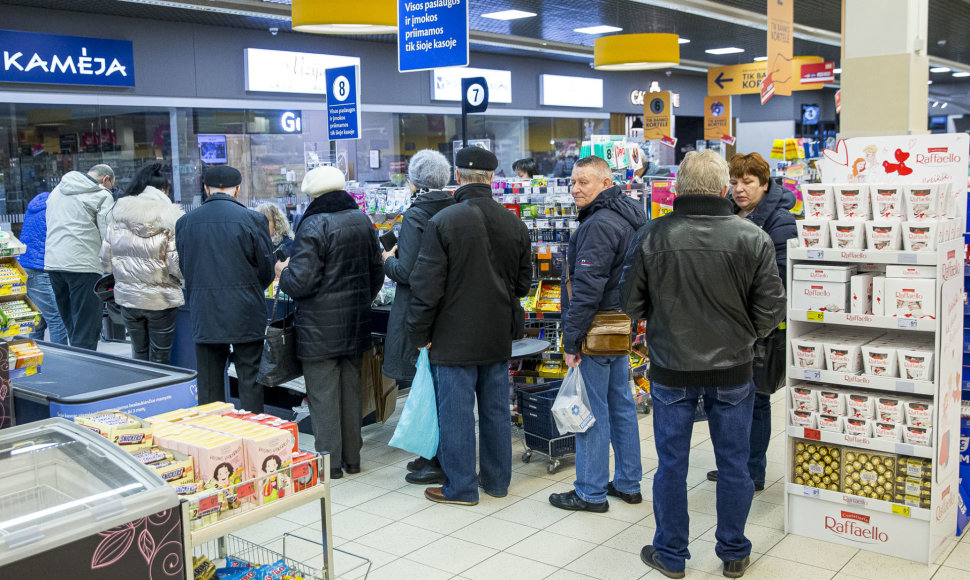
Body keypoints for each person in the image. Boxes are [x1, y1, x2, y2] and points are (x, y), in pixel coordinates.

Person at [619, 150, 786, 579]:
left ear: (677, 188)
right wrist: (745, 335)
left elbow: (630, 303)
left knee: (671, 464)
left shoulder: (651, 235)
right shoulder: (752, 237)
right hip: (733, 369)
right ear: (722, 188)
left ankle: (671, 556)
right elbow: (772, 308)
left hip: (671, 368)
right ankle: (733, 552)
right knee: (735, 463)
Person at [408, 146, 531, 506]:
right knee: (495, 409)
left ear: (457, 177)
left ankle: (460, 487)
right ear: (492, 178)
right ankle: (497, 481)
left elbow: (426, 286)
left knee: (457, 414)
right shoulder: (514, 222)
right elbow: (523, 284)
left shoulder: (443, 221)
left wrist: (419, 333)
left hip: (453, 335)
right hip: (497, 332)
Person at [547, 156, 646, 513]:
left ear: (605, 183)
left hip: (596, 328)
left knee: (592, 409)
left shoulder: (599, 224)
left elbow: (587, 288)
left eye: (583, 182)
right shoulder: (630, 214)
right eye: (572, 182)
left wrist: (571, 340)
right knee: (621, 405)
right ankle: (628, 483)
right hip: (619, 326)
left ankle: (590, 491)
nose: (575, 189)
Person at [277, 166, 384, 480]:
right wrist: (359, 300)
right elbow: (376, 273)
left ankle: (330, 464)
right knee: (352, 395)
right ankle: (353, 459)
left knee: (323, 397)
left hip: (319, 329)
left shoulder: (313, 223)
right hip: (356, 324)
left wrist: (284, 271)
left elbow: (301, 282)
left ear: (312, 193)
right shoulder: (362, 220)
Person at [706, 152, 796, 492]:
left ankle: (752, 471)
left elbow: (782, 277)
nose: (739, 189)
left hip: (759, 326)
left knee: (756, 399)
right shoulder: (726, 213)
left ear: (765, 184)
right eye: (734, 182)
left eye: (748, 182)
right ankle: (733, 466)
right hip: (724, 324)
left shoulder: (780, 221)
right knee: (726, 398)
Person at [380, 149, 455, 485]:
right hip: (448, 309)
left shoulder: (415, 215)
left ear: (413, 181)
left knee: (425, 387)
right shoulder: (455, 208)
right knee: (439, 387)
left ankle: (434, 456)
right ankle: (431, 453)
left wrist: (386, 258)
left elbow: (407, 271)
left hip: (419, 310)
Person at [176, 165, 275, 412]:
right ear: (238, 189)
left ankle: (215, 441)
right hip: (246, 309)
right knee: (250, 379)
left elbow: (185, 267)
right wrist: (252, 288)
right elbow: (266, 268)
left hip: (205, 309)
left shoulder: (185, 222)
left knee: (208, 382)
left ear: (206, 189)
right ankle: (254, 437)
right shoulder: (254, 219)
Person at [99, 163, 184, 364]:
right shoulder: (169, 219)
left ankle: (140, 391)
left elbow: (105, 261)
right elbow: (175, 265)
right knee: (161, 354)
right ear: (163, 190)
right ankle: (160, 393)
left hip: (128, 298)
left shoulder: (118, 217)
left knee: (138, 352)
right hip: (161, 299)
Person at [45, 164, 115, 350]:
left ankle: (74, 369)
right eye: (111, 186)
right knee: (86, 328)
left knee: (72, 326)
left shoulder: (56, 191)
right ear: (106, 179)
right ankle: (87, 375)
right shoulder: (101, 194)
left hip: (53, 264)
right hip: (83, 265)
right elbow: (108, 235)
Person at [18, 190, 69, 344]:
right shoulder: (55, 208)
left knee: (39, 321)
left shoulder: (34, 207)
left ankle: (34, 361)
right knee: (57, 319)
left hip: (25, 265)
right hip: (39, 268)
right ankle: (61, 361)